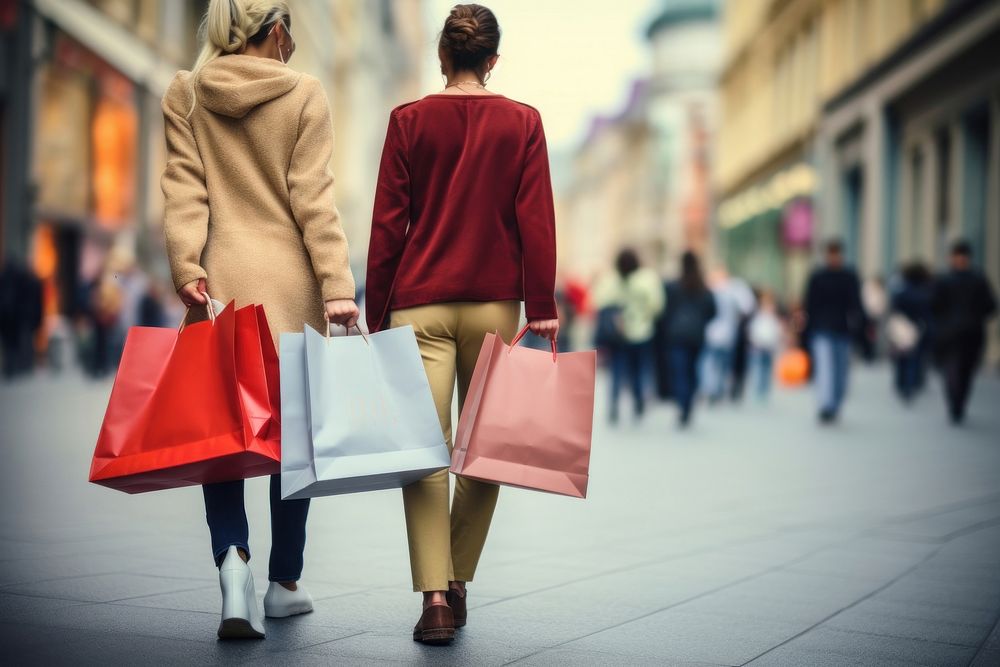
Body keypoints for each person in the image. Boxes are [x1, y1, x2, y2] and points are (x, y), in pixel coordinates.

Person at [161, 0, 359, 639]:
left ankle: (233, 567)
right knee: (290, 443)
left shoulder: (186, 93)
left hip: (220, 290)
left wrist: (187, 268)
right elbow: (314, 201)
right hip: (291, 291)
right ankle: (285, 582)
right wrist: (338, 286)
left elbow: (184, 188)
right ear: (275, 32)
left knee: (222, 440)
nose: (293, 48)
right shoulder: (304, 94)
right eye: (290, 36)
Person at [365, 4, 558, 645]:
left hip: (417, 301)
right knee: (486, 448)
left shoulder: (408, 122)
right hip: (495, 304)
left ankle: (434, 599)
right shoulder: (523, 123)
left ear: (442, 56)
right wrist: (544, 305)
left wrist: (375, 315)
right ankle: (457, 576)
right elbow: (536, 220)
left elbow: (389, 224)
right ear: (493, 60)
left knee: (425, 450)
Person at [593, 249, 664, 424]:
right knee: (639, 369)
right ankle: (638, 401)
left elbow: (599, 302)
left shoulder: (611, 280)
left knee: (616, 370)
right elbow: (657, 306)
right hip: (642, 332)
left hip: (618, 335)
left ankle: (614, 405)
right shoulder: (647, 279)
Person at [930, 240, 997, 424]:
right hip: (954, 333)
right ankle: (955, 403)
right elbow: (933, 304)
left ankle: (958, 403)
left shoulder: (976, 279)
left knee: (964, 371)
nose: (959, 260)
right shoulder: (946, 280)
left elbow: (990, 305)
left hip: (967, 333)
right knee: (954, 370)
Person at [804, 240, 864, 423]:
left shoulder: (849, 276)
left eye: (837, 254)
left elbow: (856, 304)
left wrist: (861, 328)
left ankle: (836, 404)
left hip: (843, 330)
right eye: (831, 254)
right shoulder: (818, 277)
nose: (834, 258)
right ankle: (826, 405)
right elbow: (809, 305)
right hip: (821, 330)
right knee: (824, 368)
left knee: (840, 371)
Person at [662, 251, 716, 426]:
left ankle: (683, 404)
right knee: (692, 370)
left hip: (677, 336)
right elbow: (713, 310)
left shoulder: (673, 286)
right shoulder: (702, 287)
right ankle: (689, 403)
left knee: (680, 372)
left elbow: (664, 311)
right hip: (696, 336)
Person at [701, 267, 755, 403]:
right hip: (726, 335)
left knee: (711, 363)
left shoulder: (715, 291)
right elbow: (746, 308)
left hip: (713, 334)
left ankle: (712, 388)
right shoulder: (732, 291)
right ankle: (717, 389)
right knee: (722, 365)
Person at [888, 262, 932, 403]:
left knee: (901, 357)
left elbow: (894, 307)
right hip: (916, 328)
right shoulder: (924, 293)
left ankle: (901, 383)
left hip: (901, 327)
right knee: (914, 358)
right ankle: (910, 384)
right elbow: (927, 313)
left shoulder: (901, 291)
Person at [748, 289, 782, 402]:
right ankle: (758, 391)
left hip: (769, 348)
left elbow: (777, 333)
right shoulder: (758, 318)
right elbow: (753, 331)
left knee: (767, 371)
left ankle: (764, 392)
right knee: (758, 370)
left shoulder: (774, 319)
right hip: (758, 347)